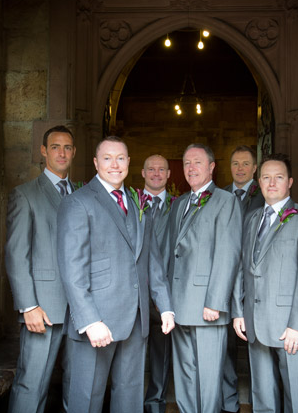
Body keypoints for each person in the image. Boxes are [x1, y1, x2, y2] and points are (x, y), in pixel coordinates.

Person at [56, 136, 175, 413]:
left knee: (130, 397)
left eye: (120, 158)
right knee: (87, 398)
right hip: (98, 321)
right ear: (96, 163)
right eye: (107, 158)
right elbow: (71, 269)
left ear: (129, 162)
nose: (114, 164)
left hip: (136, 319)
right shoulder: (78, 202)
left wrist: (165, 306)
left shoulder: (137, 203)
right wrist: (89, 321)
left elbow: (152, 262)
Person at [232, 153, 298, 413]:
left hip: (290, 328)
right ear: (258, 182)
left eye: (279, 177)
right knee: (263, 398)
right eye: (266, 177)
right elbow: (242, 267)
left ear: (290, 182)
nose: (272, 183)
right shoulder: (251, 219)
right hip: (255, 322)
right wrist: (239, 311)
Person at [165, 143, 242, 413]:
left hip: (207, 306)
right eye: (186, 163)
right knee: (184, 374)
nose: (191, 168)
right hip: (179, 304)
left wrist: (216, 302)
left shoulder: (226, 201)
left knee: (209, 379)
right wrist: (165, 303)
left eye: (197, 162)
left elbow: (228, 254)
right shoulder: (180, 204)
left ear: (211, 167)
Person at [5, 125, 76, 413]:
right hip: (43, 309)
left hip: (80, 310)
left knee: (79, 386)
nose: (62, 152)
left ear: (74, 152)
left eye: (68, 147)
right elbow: (15, 253)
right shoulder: (25, 195)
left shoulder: (81, 193)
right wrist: (28, 305)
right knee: (31, 383)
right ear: (43, 151)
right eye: (56, 147)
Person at [222, 145, 264, 413]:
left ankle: (261, 401)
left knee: (256, 343)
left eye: (245, 163)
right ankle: (228, 402)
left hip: (254, 280)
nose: (240, 168)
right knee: (224, 345)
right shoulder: (219, 195)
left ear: (255, 167)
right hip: (224, 278)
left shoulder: (265, 193)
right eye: (235, 163)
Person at [141, 155, 174, 413]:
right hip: (136, 294)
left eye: (161, 169)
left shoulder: (179, 206)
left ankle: (155, 403)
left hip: (166, 296)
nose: (156, 173)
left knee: (161, 353)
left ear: (169, 174)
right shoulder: (129, 203)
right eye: (151, 169)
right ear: (142, 172)